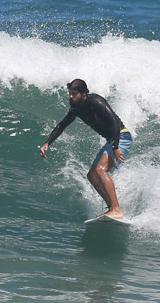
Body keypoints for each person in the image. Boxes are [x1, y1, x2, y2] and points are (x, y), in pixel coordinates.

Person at [39, 79, 133, 219]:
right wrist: (48, 143)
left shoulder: (97, 101)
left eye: (74, 94)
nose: (71, 96)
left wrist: (115, 148)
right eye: (70, 93)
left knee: (101, 170)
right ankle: (111, 207)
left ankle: (117, 210)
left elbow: (114, 123)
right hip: (112, 141)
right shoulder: (76, 108)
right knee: (92, 175)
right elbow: (61, 126)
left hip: (121, 137)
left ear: (84, 94)